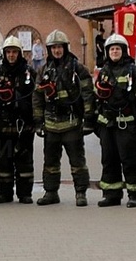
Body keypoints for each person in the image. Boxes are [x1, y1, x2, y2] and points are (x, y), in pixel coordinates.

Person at [32, 29, 94, 207]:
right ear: (49, 50)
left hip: (72, 124)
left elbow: (87, 95)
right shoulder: (44, 70)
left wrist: (89, 120)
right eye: (53, 47)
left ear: (65, 48)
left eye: (59, 47)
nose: (57, 50)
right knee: (50, 163)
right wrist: (38, 122)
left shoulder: (77, 69)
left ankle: (80, 193)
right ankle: (51, 193)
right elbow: (37, 97)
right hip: (51, 125)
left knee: (77, 162)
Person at [93, 33, 136, 208]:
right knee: (109, 160)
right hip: (107, 126)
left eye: (117, 49)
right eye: (112, 49)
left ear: (124, 51)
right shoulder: (103, 73)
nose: (114, 52)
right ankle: (111, 195)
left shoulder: (135, 73)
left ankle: (134, 194)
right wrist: (96, 123)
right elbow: (96, 100)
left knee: (130, 160)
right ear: (107, 52)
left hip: (128, 125)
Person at [0, 36, 36, 204]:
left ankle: (25, 194)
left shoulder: (29, 73)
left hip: (24, 126)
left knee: (25, 161)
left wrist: (35, 121)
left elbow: (36, 99)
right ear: (4, 53)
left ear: (20, 53)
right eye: (8, 52)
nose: (11, 55)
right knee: (3, 161)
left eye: (14, 52)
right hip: (3, 125)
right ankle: (4, 194)